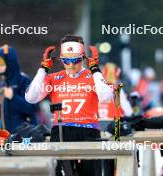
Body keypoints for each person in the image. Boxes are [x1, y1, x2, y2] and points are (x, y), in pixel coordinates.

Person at [25, 35, 113, 176]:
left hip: (88, 131)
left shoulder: (93, 77)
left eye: (76, 60)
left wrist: (96, 69)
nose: (71, 65)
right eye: (66, 60)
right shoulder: (54, 78)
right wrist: (43, 69)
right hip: (61, 131)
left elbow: (106, 97)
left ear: (84, 58)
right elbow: (31, 98)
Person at [0, 44, 37, 133]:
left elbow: (32, 108)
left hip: (24, 134)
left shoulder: (23, 80)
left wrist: (14, 97)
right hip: (8, 135)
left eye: (2, 64)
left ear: (10, 62)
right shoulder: (3, 83)